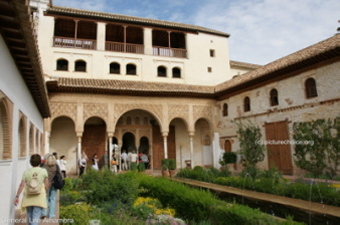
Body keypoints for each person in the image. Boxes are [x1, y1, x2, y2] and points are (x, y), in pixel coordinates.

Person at [14, 154, 48, 225]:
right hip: (39, 196)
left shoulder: (26, 172)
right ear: (40, 162)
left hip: (28, 196)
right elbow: (46, 184)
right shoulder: (43, 171)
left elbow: (21, 185)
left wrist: (17, 196)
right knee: (36, 216)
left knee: (29, 217)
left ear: (31, 162)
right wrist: (45, 191)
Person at [41, 153, 59, 219]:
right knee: (52, 199)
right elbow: (60, 175)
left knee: (45, 198)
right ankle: (51, 214)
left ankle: (44, 213)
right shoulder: (56, 166)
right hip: (54, 184)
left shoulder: (43, 166)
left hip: (45, 183)